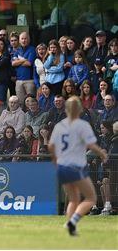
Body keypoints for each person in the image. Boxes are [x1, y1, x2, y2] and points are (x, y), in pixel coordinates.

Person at [48, 96, 108, 236]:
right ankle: (72, 221)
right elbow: (91, 145)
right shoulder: (82, 125)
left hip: (62, 167)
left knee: (73, 199)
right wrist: (102, 154)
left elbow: (51, 145)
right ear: (79, 109)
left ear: (66, 109)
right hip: (76, 166)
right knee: (91, 198)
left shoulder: (59, 125)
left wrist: (55, 160)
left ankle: (70, 227)